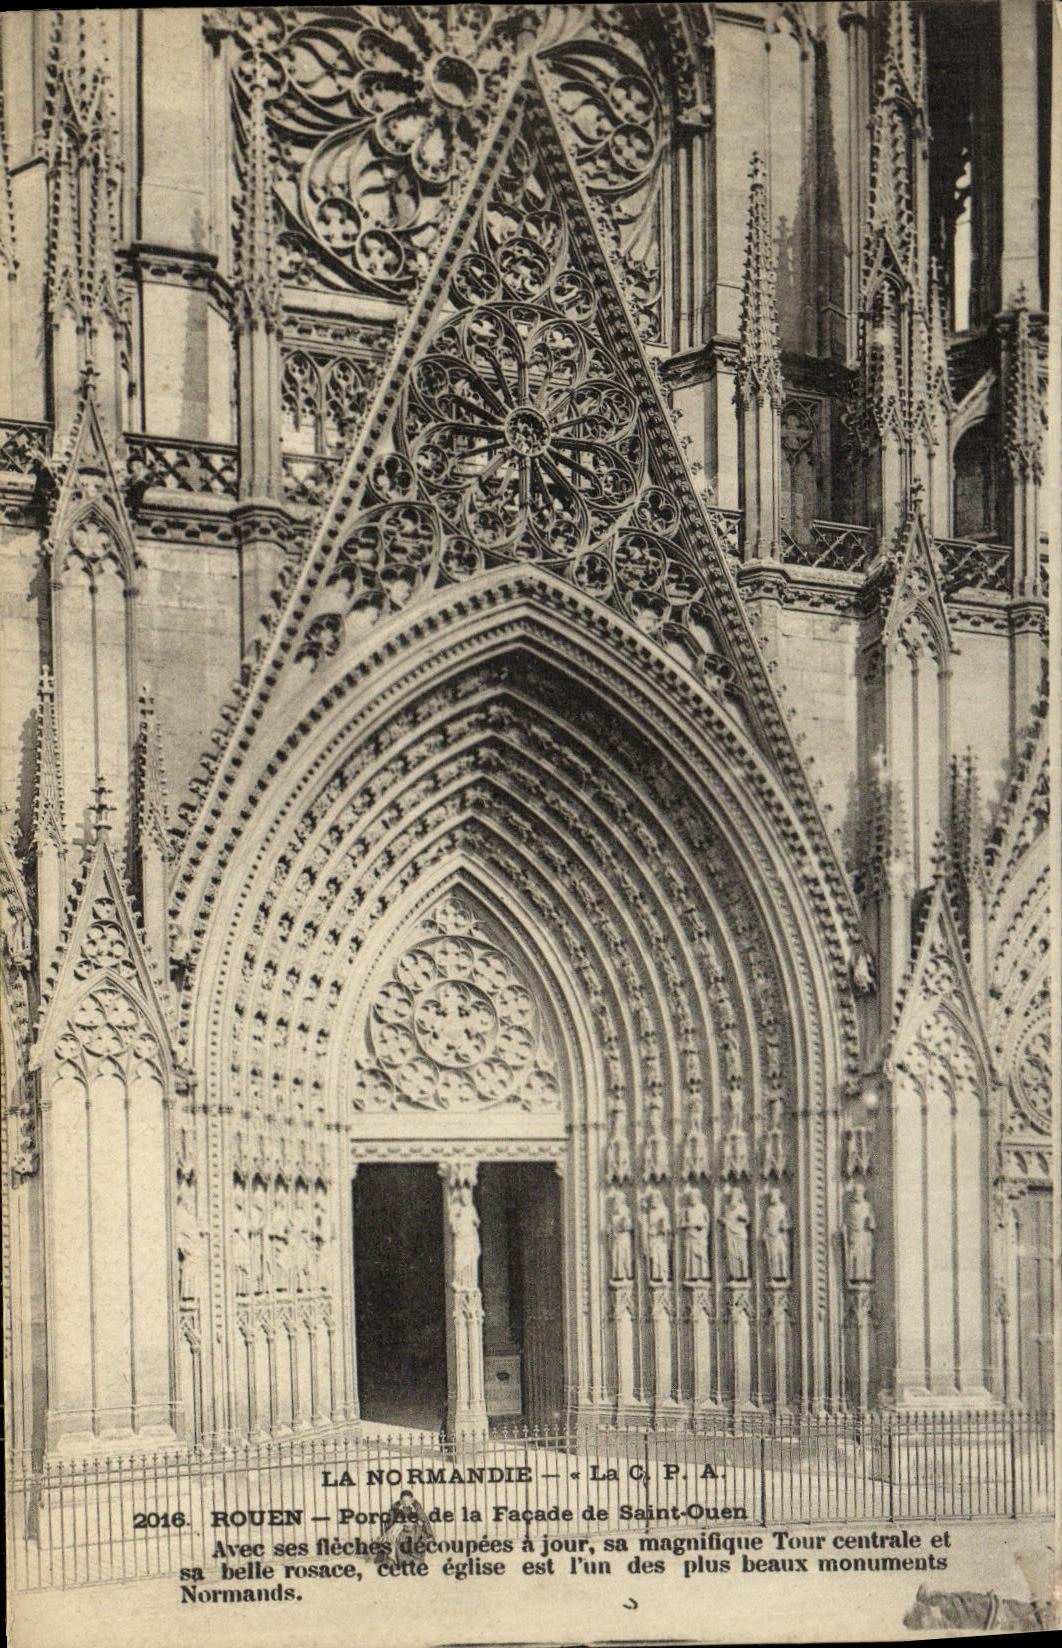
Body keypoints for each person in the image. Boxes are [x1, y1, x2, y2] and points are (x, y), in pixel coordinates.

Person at [379, 1490, 433, 1565]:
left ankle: (417, 1560)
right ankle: (402, 1561)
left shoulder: (416, 1505)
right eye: (403, 1501)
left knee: (419, 1538)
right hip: (400, 1528)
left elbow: (424, 1519)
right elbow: (389, 1520)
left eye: (407, 1501)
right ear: (400, 1501)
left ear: (412, 1500)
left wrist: (429, 1534)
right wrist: (388, 1531)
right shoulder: (395, 1506)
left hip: (414, 1528)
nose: (405, 1503)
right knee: (399, 1540)